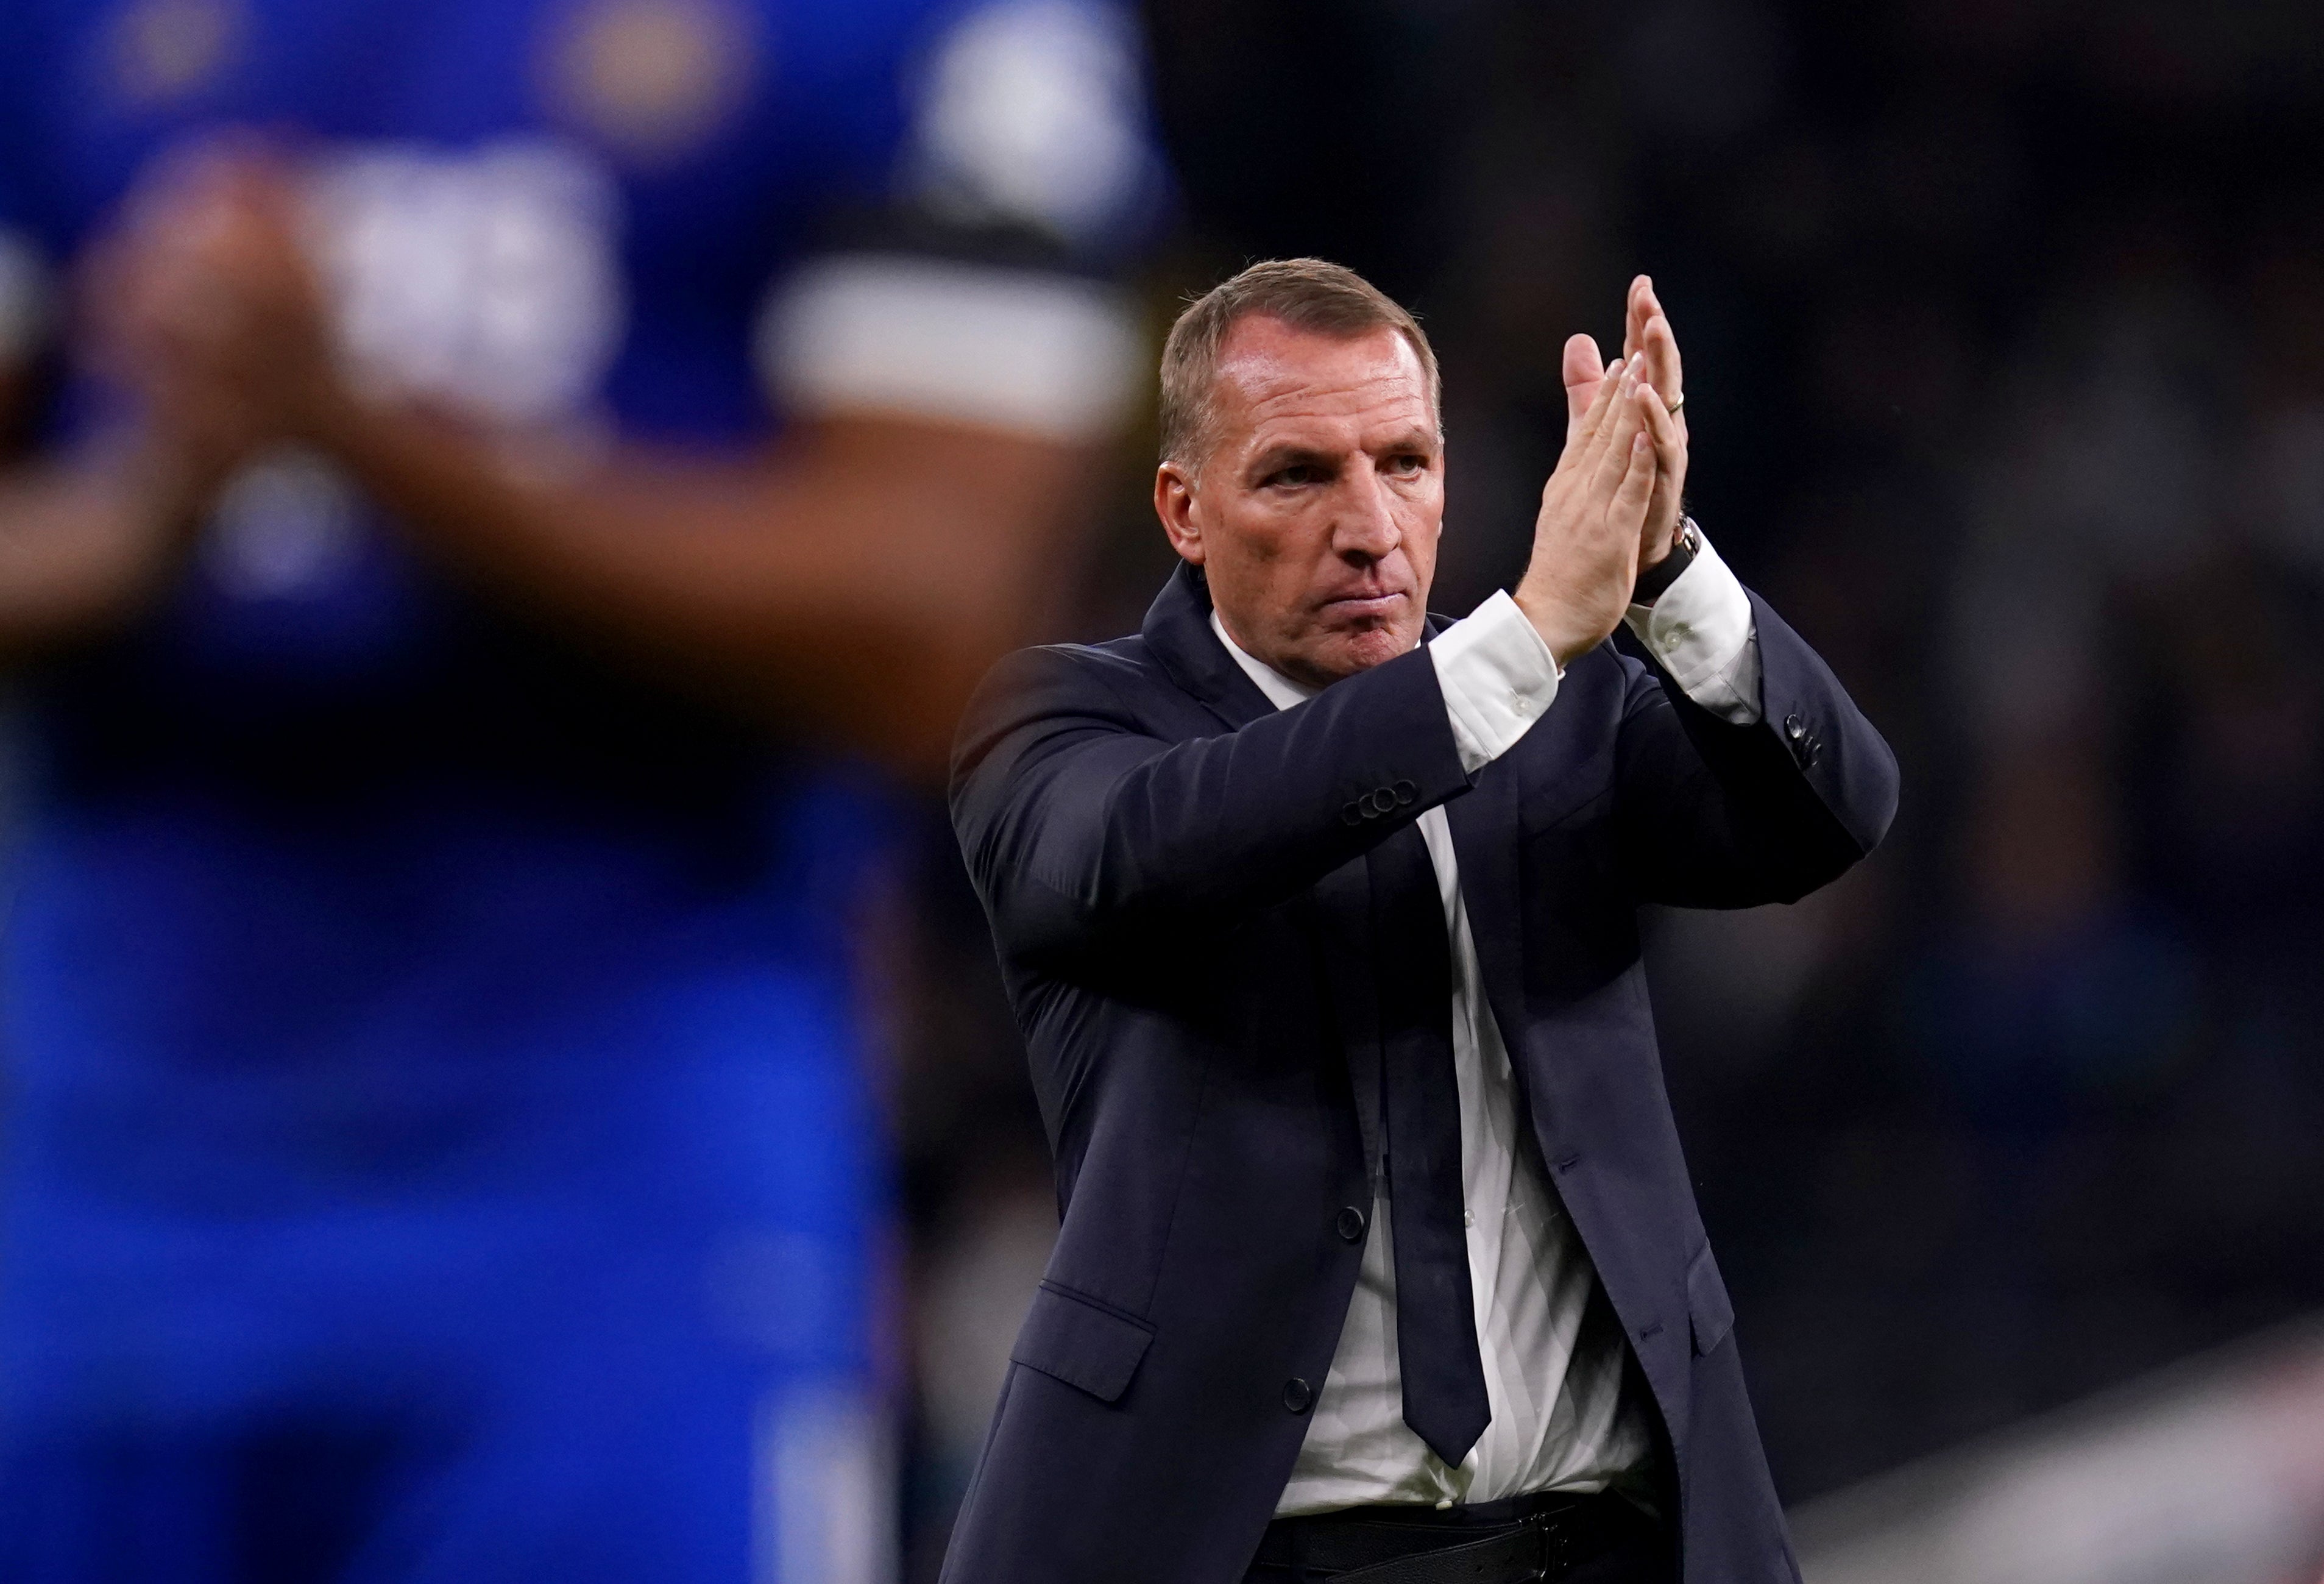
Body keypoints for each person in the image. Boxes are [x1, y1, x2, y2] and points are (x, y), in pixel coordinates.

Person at [0, 0, 1160, 1578]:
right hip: (91, 1158)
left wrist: (366, 436)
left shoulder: (914, 30)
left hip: (610, 1157)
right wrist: (143, 514)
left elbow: (932, 633)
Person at [946, 259, 1899, 1583]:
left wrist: (1665, 564)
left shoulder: (1564, 709)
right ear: (1182, 508)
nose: (1368, 524)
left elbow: (1831, 812)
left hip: (1613, 1542)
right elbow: (1157, 849)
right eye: (1297, 475)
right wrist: (1517, 642)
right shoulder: (1062, 724)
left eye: (1403, 463)